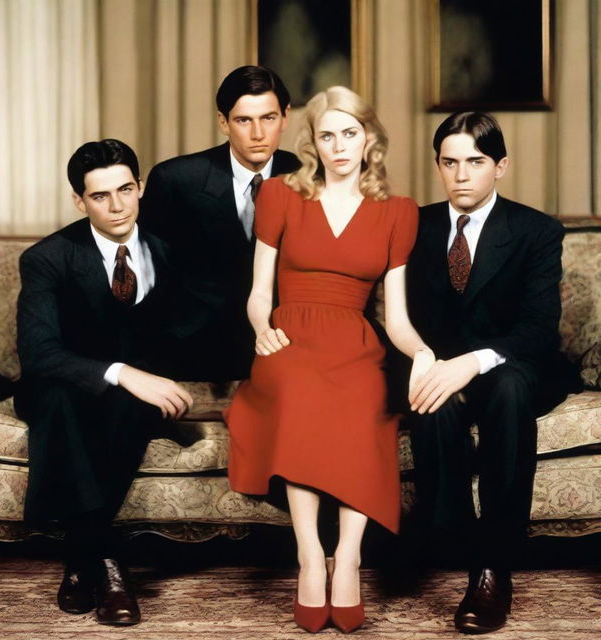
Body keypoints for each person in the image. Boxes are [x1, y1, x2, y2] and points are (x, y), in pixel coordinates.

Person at [226, 86, 434, 633]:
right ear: (312, 143)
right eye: (327, 135)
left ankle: (348, 557)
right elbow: (257, 293)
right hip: (289, 336)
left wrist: (424, 353)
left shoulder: (398, 213)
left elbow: (397, 319)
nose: (340, 146)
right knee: (298, 393)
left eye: (350, 133)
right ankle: (309, 558)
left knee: (367, 400)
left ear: (369, 139)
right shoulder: (280, 195)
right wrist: (260, 329)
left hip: (355, 341)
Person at [406, 112, 581, 634]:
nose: (461, 175)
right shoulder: (415, 226)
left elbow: (537, 329)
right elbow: (404, 316)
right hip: (441, 362)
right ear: (438, 166)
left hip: (513, 363)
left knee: (506, 391)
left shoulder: (536, 230)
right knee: (429, 397)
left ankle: (493, 568)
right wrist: (433, 364)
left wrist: (473, 361)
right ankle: (453, 536)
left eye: (475, 162)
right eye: (450, 162)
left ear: (500, 166)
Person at [15, 139, 194, 626]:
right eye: (100, 196)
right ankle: (108, 561)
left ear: (139, 188)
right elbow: (38, 354)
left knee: (130, 406)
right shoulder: (48, 258)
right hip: (63, 386)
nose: (117, 206)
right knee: (60, 402)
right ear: (80, 200)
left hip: (135, 399)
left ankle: (80, 560)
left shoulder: (167, 250)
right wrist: (123, 373)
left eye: (126, 190)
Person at [140, 65, 300, 381]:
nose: (258, 134)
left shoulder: (307, 177)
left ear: (285, 117)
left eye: (268, 118)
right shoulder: (176, 179)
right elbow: (148, 276)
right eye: (244, 120)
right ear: (223, 122)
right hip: (194, 343)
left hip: (282, 338)